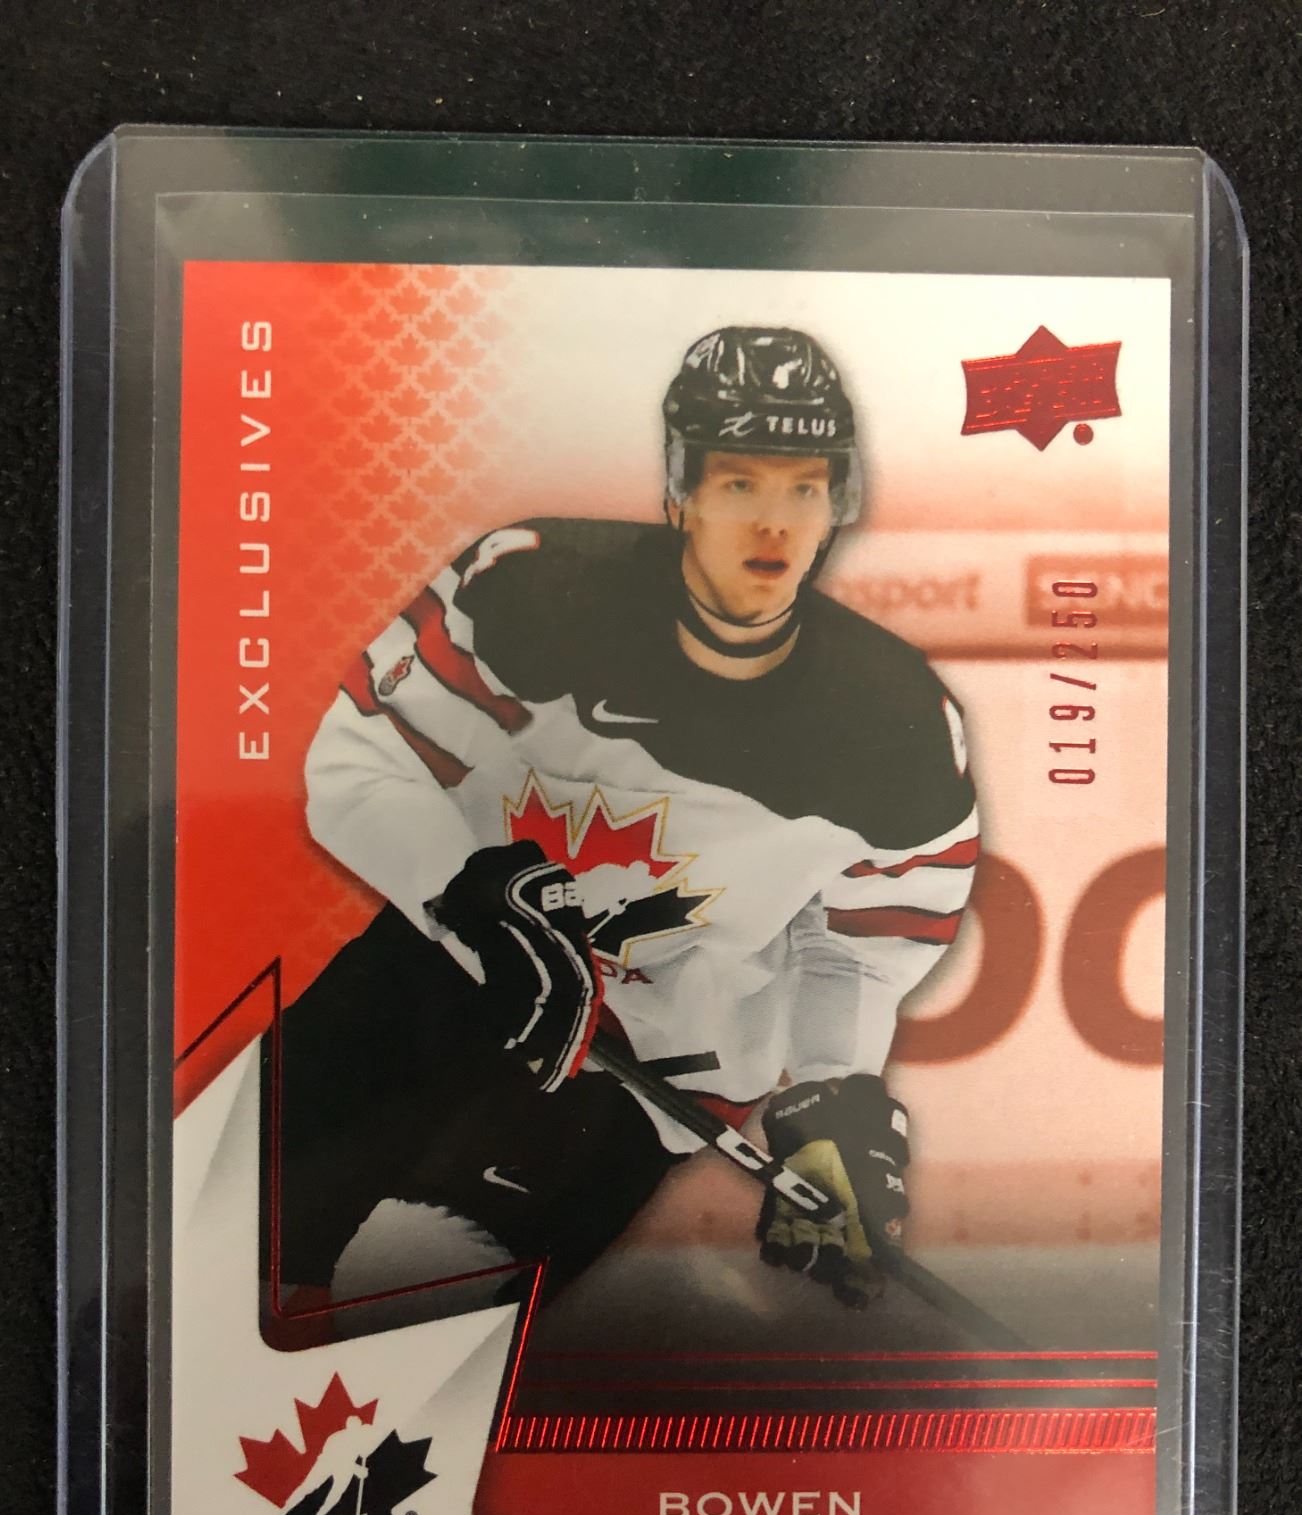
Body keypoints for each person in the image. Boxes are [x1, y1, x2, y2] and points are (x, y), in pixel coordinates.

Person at [272, 325, 977, 1322]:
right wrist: (467, 892)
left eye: (803, 489)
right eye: (740, 483)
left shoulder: (896, 724)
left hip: (646, 1067)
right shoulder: (531, 589)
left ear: (839, 505)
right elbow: (357, 762)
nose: (772, 523)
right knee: (210, 1229)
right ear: (681, 491)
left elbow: (864, 946)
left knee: (396, 1294)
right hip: (445, 966)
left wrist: (832, 1098)